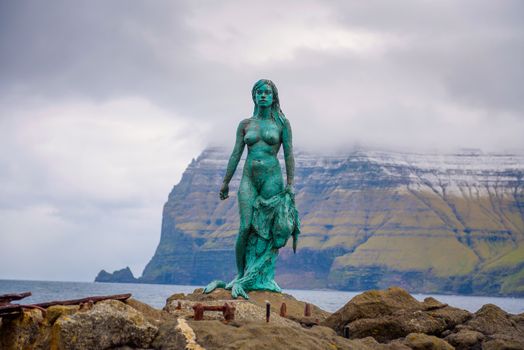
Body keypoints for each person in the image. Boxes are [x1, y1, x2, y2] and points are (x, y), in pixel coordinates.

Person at [203, 79, 300, 299]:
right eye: (259, 92)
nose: (263, 95)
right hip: (249, 178)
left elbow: (289, 154)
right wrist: (226, 181)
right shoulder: (245, 124)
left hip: (272, 179)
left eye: (267, 92)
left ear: (273, 96)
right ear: (254, 96)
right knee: (245, 226)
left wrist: (291, 184)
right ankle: (241, 274)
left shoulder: (282, 123)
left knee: (265, 230)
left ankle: (261, 276)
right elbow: (236, 153)